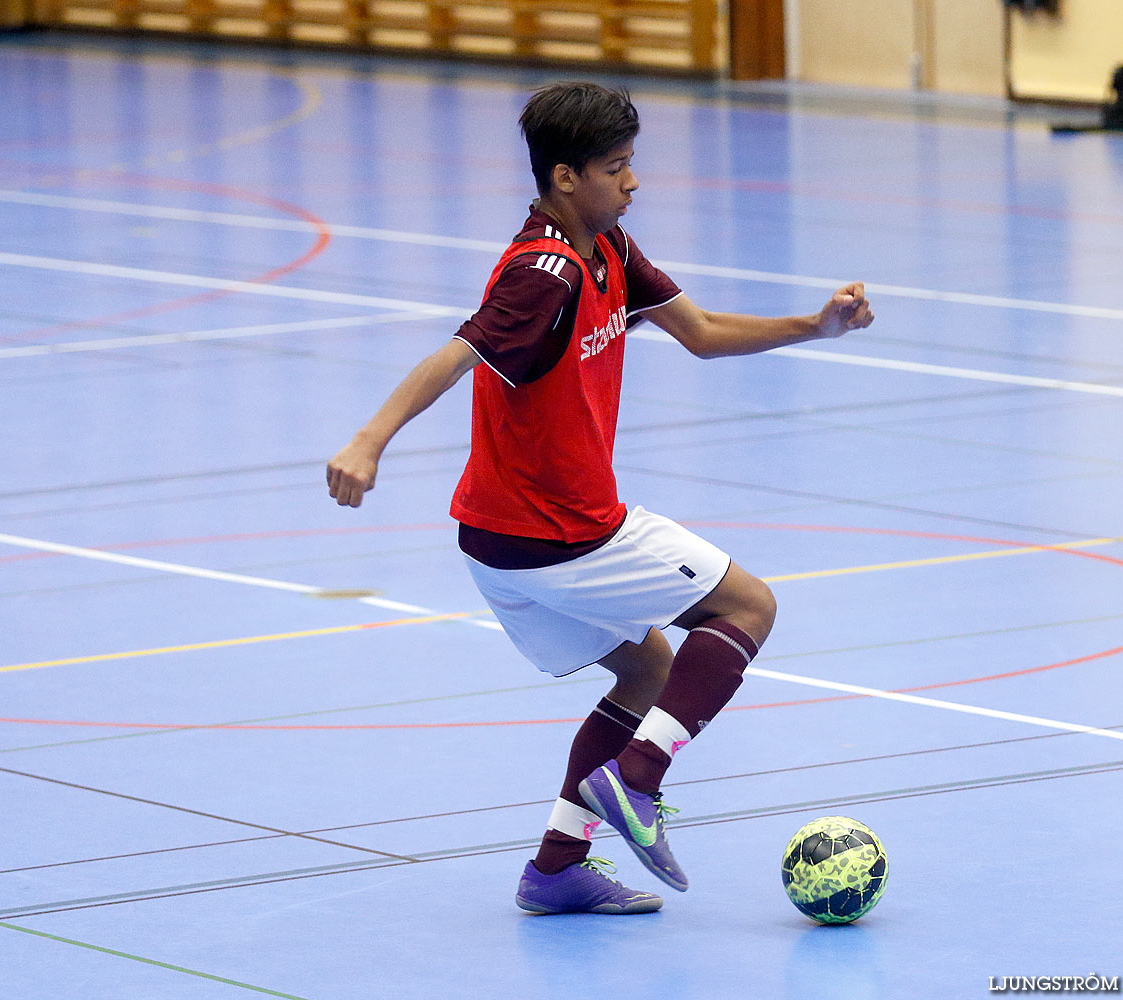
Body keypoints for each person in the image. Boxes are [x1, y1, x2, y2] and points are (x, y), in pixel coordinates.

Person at [327, 82, 874, 914]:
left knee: (652, 667)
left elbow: (701, 333)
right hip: (563, 535)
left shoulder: (609, 245)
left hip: (498, 544)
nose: (633, 182)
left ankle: (555, 867)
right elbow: (458, 352)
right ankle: (640, 778)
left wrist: (814, 326)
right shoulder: (541, 274)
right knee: (750, 607)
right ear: (564, 176)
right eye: (616, 168)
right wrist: (370, 439)